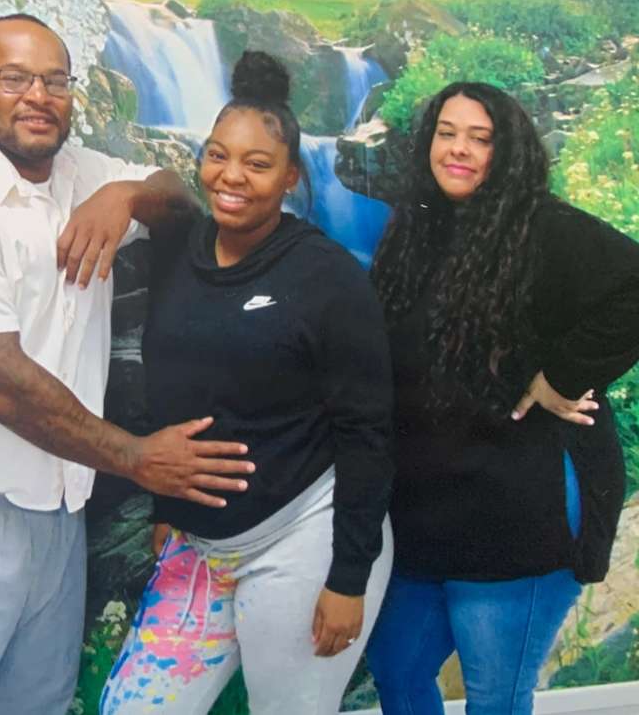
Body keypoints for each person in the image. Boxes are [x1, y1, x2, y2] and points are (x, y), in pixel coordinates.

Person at [0, 13, 255, 714]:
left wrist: (126, 194)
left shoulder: (81, 175)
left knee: (36, 703)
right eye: (13, 78)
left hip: (56, 510)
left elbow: (179, 203)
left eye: (54, 80)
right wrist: (136, 458)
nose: (37, 96)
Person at [99, 51, 395, 714]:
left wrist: (348, 578)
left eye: (257, 165)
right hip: (199, 550)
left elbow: (368, 433)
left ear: (292, 177)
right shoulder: (179, 249)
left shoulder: (328, 279)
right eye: (217, 155)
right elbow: (183, 391)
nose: (231, 177)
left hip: (304, 538)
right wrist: (170, 510)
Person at [365, 81, 639, 713]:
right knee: (398, 670)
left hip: (520, 511)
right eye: (447, 133)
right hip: (425, 512)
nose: (458, 150)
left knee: (494, 697)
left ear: (506, 151)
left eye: (480, 139)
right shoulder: (415, 231)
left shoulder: (543, 227)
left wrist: (560, 376)